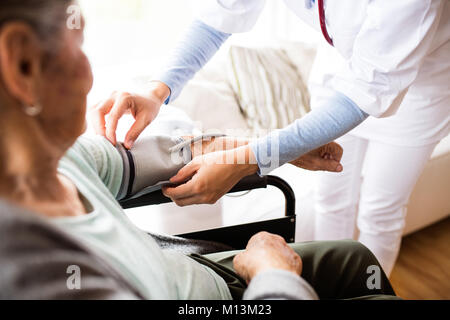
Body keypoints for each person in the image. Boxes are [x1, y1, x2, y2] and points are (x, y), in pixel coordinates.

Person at [0, 0, 398, 300]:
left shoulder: (60, 161)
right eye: (77, 42)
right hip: (233, 291)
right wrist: (272, 275)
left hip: (194, 273)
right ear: (22, 65)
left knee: (354, 258)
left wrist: (272, 149)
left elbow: (168, 155)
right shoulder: (37, 272)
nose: (90, 75)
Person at [91, 0, 450, 275]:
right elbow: (220, 17)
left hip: (423, 87)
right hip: (340, 66)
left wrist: (250, 158)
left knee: (381, 210)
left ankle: (364, 287)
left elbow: (366, 93)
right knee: (331, 198)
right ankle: (325, 284)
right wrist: (157, 92)